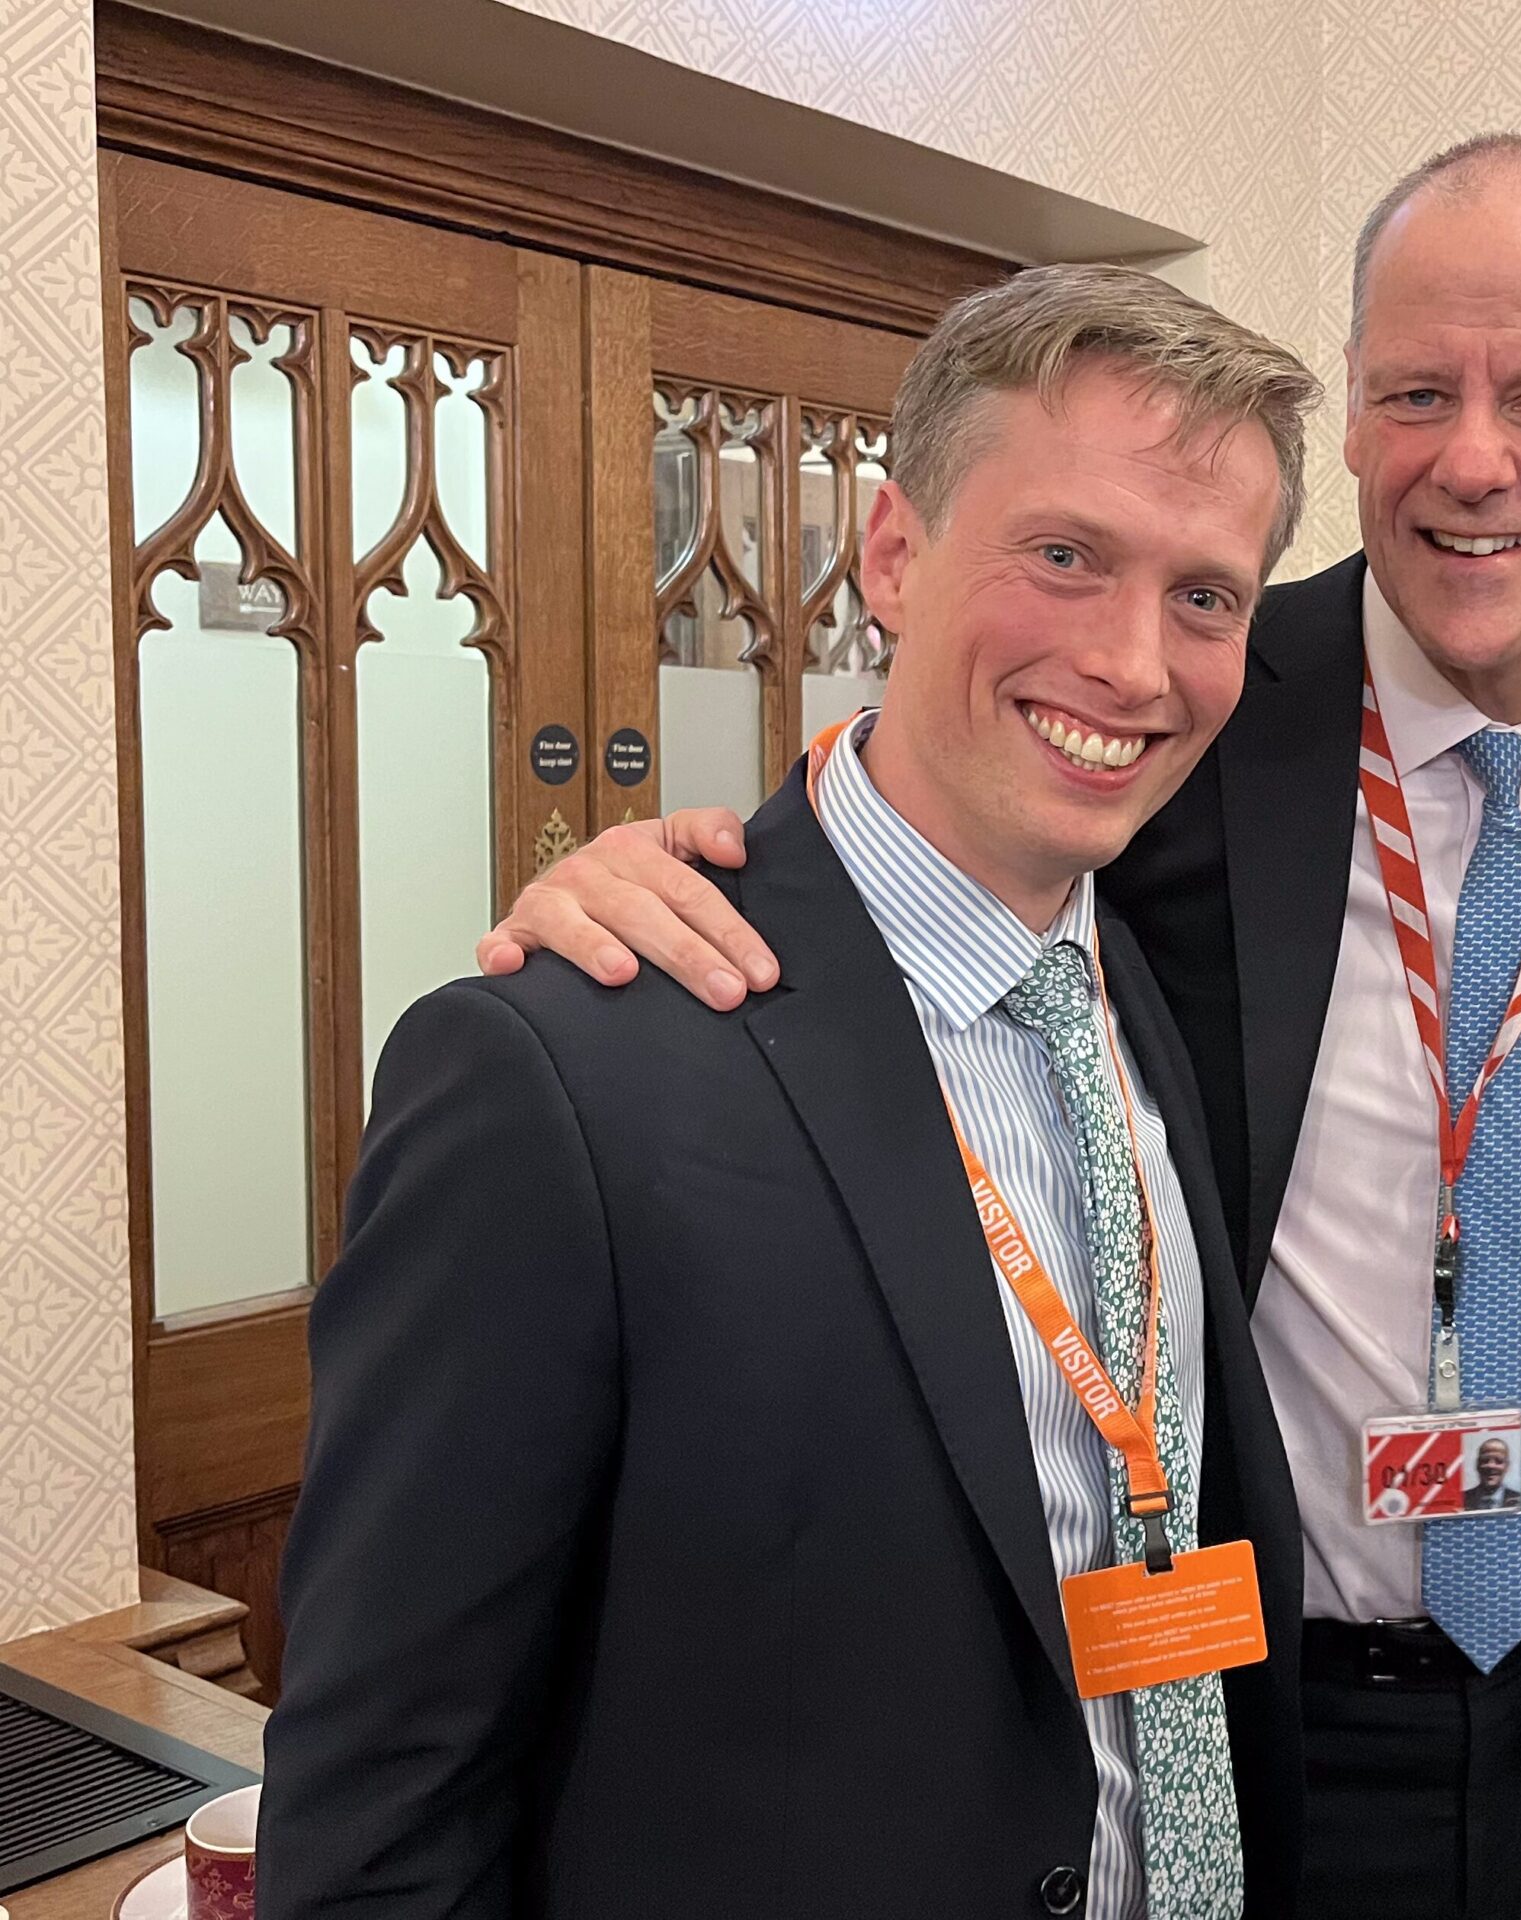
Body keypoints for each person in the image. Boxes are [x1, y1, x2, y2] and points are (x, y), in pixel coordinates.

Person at [480, 135, 1521, 1919]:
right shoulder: (1193, 706)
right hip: (1248, 1705)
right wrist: (637, 873)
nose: (1475, 461)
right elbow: (930, 824)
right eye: (1420, 391)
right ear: (1358, 408)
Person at [258, 265, 1322, 1920]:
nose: (1133, 662)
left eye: (1205, 597)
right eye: (1064, 556)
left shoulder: (1146, 988)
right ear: (892, 554)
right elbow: (384, 1798)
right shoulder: (565, 1072)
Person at [1463, 1437, 1521, 1512]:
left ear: (1507, 1466)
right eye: (1485, 1461)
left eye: (1499, 1461)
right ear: (1477, 1465)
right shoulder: (1462, 1500)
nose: (1491, 1466)